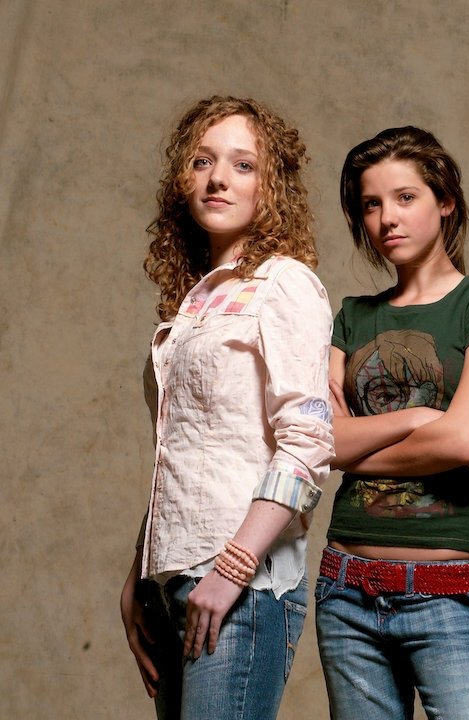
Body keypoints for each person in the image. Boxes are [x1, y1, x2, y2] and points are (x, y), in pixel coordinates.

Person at [119, 96, 333, 719]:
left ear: (271, 186)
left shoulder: (284, 284)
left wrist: (233, 569)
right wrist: (138, 575)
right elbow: (178, 455)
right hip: (173, 582)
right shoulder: (194, 305)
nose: (218, 178)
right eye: (202, 161)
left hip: (241, 581)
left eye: (243, 164)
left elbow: (308, 442)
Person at [317, 126, 469, 720]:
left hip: (449, 588)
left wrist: (357, 450)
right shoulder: (351, 317)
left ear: (446, 201)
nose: (387, 218)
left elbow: (465, 440)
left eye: (405, 197)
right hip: (346, 588)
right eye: (371, 204)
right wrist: (419, 417)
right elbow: (320, 441)